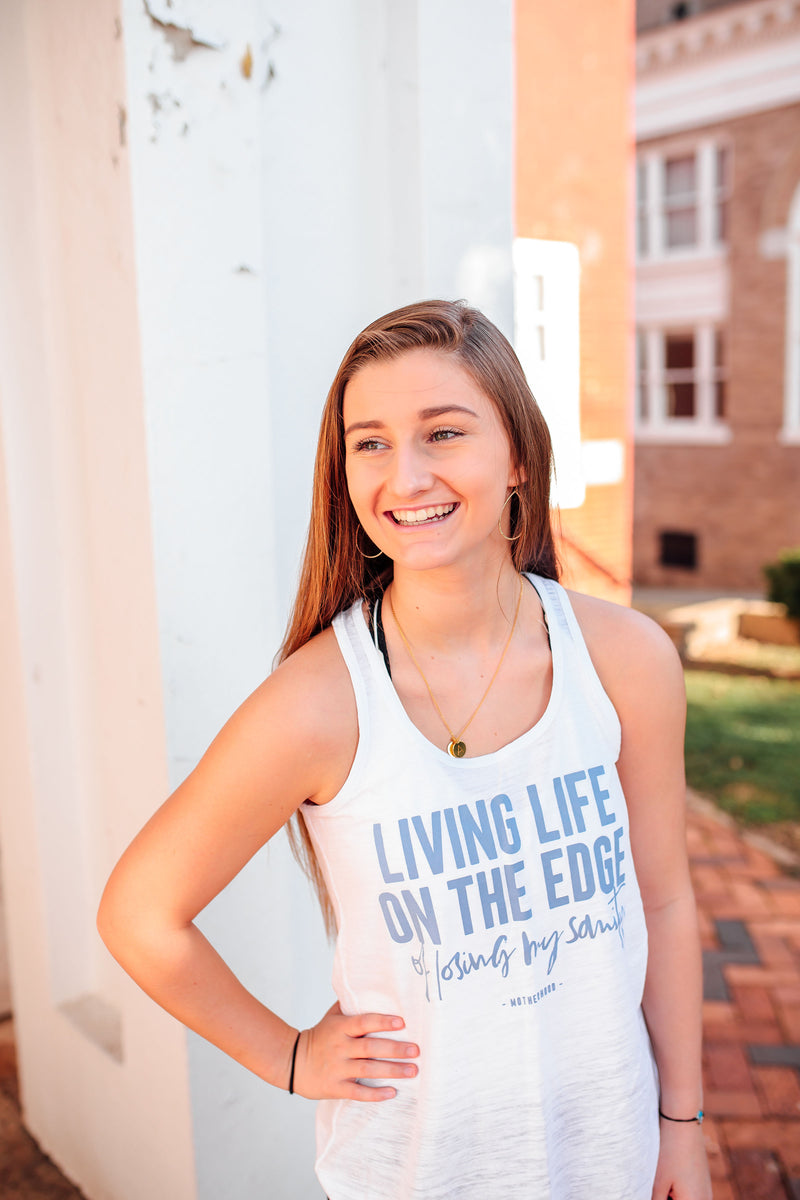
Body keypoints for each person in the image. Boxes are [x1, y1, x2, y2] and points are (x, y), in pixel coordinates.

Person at [98, 300, 712, 1200]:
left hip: (611, 1152)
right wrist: (291, 1055)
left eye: (443, 432)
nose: (404, 474)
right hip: (419, 1173)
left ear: (519, 458)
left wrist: (681, 1126)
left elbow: (661, 900)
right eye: (370, 443)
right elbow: (139, 913)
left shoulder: (624, 660)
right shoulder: (319, 705)